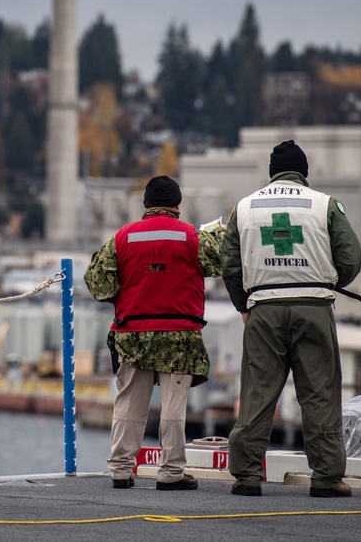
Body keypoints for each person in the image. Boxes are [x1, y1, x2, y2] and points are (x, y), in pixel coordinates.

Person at [222, 140, 361, 498]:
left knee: (258, 391)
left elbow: (230, 265)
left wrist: (243, 304)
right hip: (312, 307)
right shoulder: (324, 205)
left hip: (263, 309)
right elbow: (351, 259)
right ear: (304, 172)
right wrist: (326, 280)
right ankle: (327, 478)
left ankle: (247, 476)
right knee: (319, 394)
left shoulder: (244, 207)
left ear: (271, 173)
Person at [84, 176, 223, 491]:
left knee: (129, 405)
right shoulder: (192, 236)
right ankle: (171, 473)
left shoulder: (122, 237)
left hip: (132, 333)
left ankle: (120, 470)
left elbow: (99, 286)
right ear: (177, 205)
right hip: (180, 334)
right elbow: (221, 263)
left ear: (145, 204)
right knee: (174, 407)